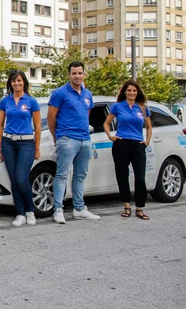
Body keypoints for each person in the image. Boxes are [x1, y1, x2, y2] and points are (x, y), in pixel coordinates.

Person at [47, 61, 100, 224]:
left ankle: (79, 208)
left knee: (80, 175)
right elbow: (51, 117)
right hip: (67, 138)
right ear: (69, 74)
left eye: (80, 73)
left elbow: (87, 114)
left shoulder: (87, 94)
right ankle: (58, 209)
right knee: (62, 174)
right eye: (74, 73)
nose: (77, 76)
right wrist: (57, 137)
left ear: (84, 74)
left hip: (85, 139)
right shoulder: (60, 93)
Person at [103, 80, 152, 220]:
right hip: (121, 144)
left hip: (137, 144)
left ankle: (140, 207)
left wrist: (147, 141)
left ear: (138, 93)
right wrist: (110, 136)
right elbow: (106, 123)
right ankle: (126, 205)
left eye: (134, 91)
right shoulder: (118, 106)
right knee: (122, 175)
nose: (132, 93)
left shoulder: (142, 108)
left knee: (140, 177)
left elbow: (149, 126)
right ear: (125, 91)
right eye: (129, 90)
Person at [0, 71, 41, 227]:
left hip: (26, 143)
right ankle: (20, 213)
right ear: (10, 83)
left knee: (22, 179)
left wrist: (37, 148)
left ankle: (30, 210)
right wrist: (0, 146)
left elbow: (37, 126)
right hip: (8, 142)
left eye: (19, 81)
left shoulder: (31, 101)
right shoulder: (5, 101)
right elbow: (0, 125)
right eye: (14, 81)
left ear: (24, 83)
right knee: (13, 180)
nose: (16, 83)